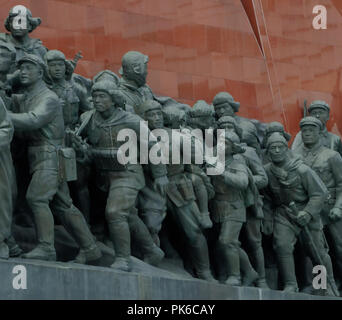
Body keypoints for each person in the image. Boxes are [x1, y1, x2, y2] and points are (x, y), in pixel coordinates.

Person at [8, 54, 101, 263]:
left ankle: (46, 248)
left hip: (50, 155)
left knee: (37, 198)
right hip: (41, 156)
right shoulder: (28, 96)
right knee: (63, 205)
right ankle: (90, 247)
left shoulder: (47, 98)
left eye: (28, 68)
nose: (23, 72)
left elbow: (34, 120)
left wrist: (4, 117)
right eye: (20, 68)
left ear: (40, 73)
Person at [73, 81, 168, 272]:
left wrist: (160, 175)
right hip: (105, 176)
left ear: (114, 99)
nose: (97, 100)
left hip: (128, 173)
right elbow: (85, 147)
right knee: (129, 215)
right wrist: (82, 150)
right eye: (95, 96)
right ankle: (152, 250)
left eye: (102, 96)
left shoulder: (131, 120)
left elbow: (152, 146)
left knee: (115, 212)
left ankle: (123, 259)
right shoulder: (88, 118)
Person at [138, 99, 216, 281]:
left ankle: (205, 272)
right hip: (152, 188)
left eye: (158, 113)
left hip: (179, 185)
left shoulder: (176, 136)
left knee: (194, 231)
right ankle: (152, 265)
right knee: (150, 226)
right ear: (143, 118)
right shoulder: (138, 138)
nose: (156, 118)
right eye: (151, 115)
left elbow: (196, 161)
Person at [264, 132, 338, 295]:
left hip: (306, 214)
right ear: (268, 152)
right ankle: (291, 284)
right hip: (284, 213)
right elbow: (267, 197)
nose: (276, 151)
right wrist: (268, 218)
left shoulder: (302, 170)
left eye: (279, 147)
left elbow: (320, 193)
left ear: (286, 149)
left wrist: (308, 212)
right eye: (272, 148)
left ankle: (324, 286)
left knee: (317, 251)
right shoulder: (267, 171)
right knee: (282, 246)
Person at [295, 116, 342, 290]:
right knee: (313, 249)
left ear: (320, 133)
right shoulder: (295, 156)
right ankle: (319, 286)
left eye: (311, 131)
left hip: (331, 209)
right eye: (304, 131)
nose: (307, 134)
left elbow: (341, 184)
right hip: (310, 209)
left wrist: (338, 207)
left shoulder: (332, 156)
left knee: (339, 247)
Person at [210, 131, 250, 286]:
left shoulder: (237, 164)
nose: (221, 146)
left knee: (227, 241)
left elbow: (243, 182)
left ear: (233, 148)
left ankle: (235, 276)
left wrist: (222, 173)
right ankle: (250, 272)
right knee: (226, 243)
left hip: (235, 206)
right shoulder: (213, 161)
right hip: (218, 207)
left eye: (226, 143)